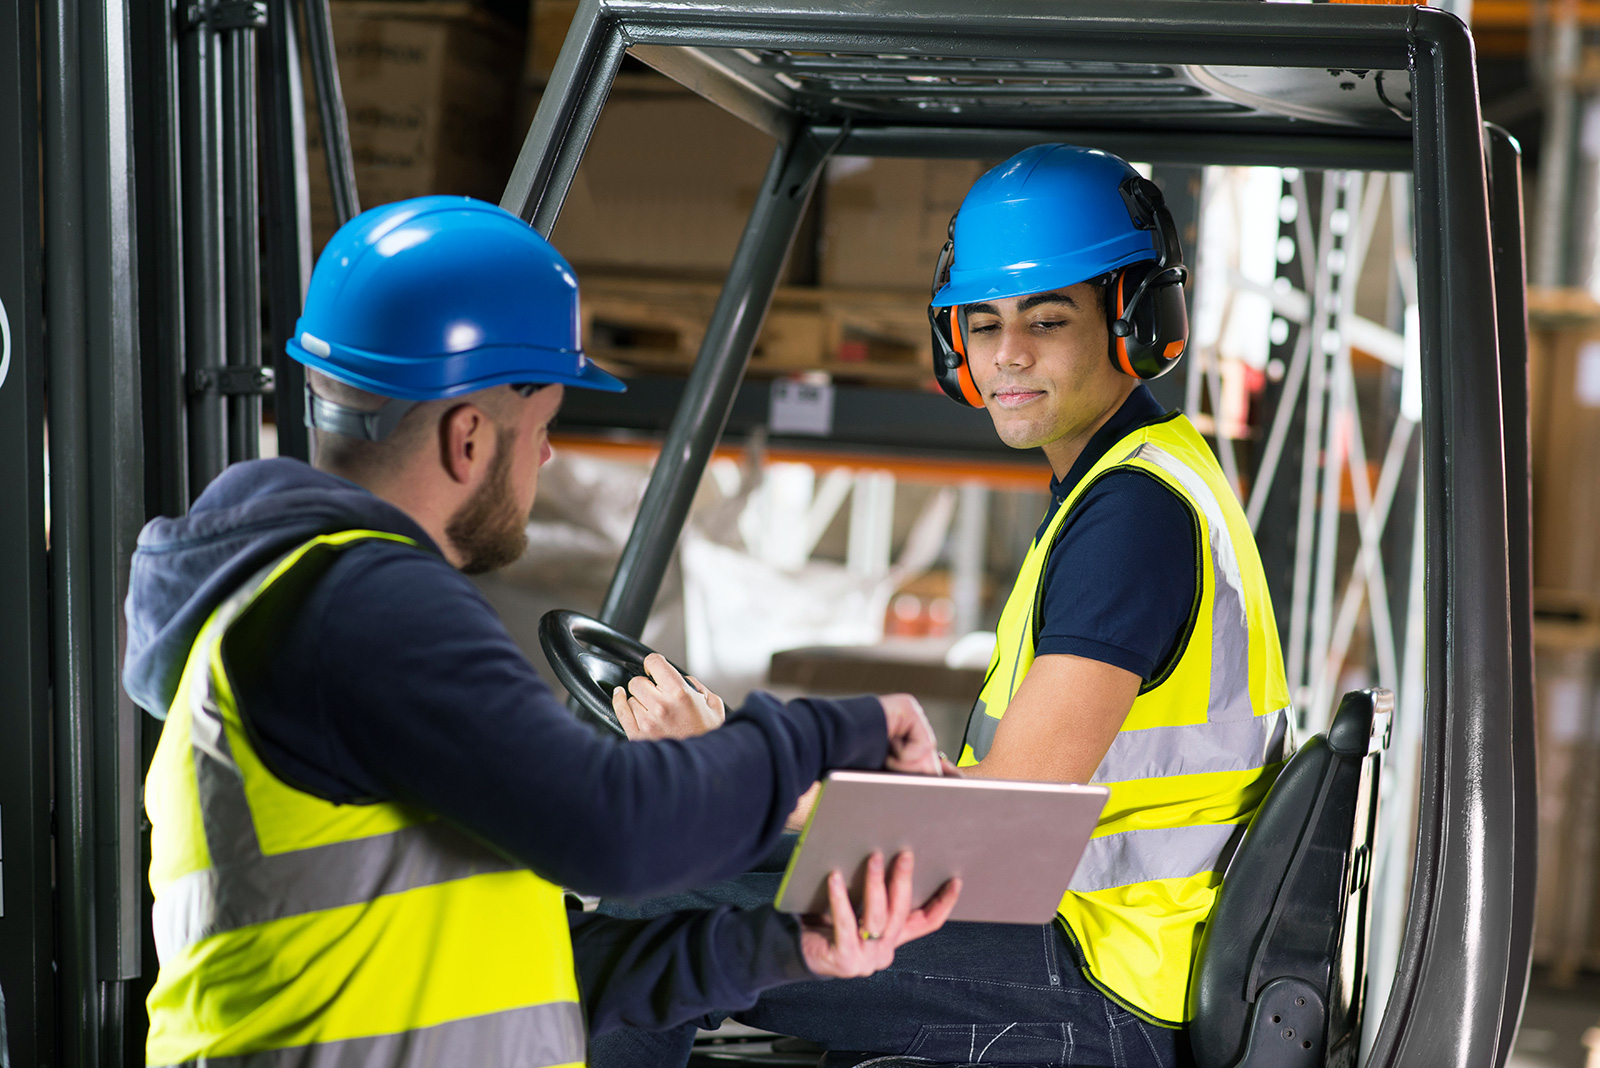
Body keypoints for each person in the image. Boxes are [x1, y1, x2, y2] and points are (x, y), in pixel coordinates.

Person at [122, 195, 959, 1068]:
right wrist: (842, 732)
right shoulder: (356, 605)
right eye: (546, 428)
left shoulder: (318, 607)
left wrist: (787, 943)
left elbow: (533, 972)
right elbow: (616, 827)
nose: (549, 459)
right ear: (469, 437)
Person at [592, 144, 1292, 1068]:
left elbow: (1003, 825)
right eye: (984, 321)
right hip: (1072, 939)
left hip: (1100, 983)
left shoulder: (1134, 518)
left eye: (1046, 320)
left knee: (652, 924)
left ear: (1135, 321)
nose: (1006, 355)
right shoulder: (1127, 483)